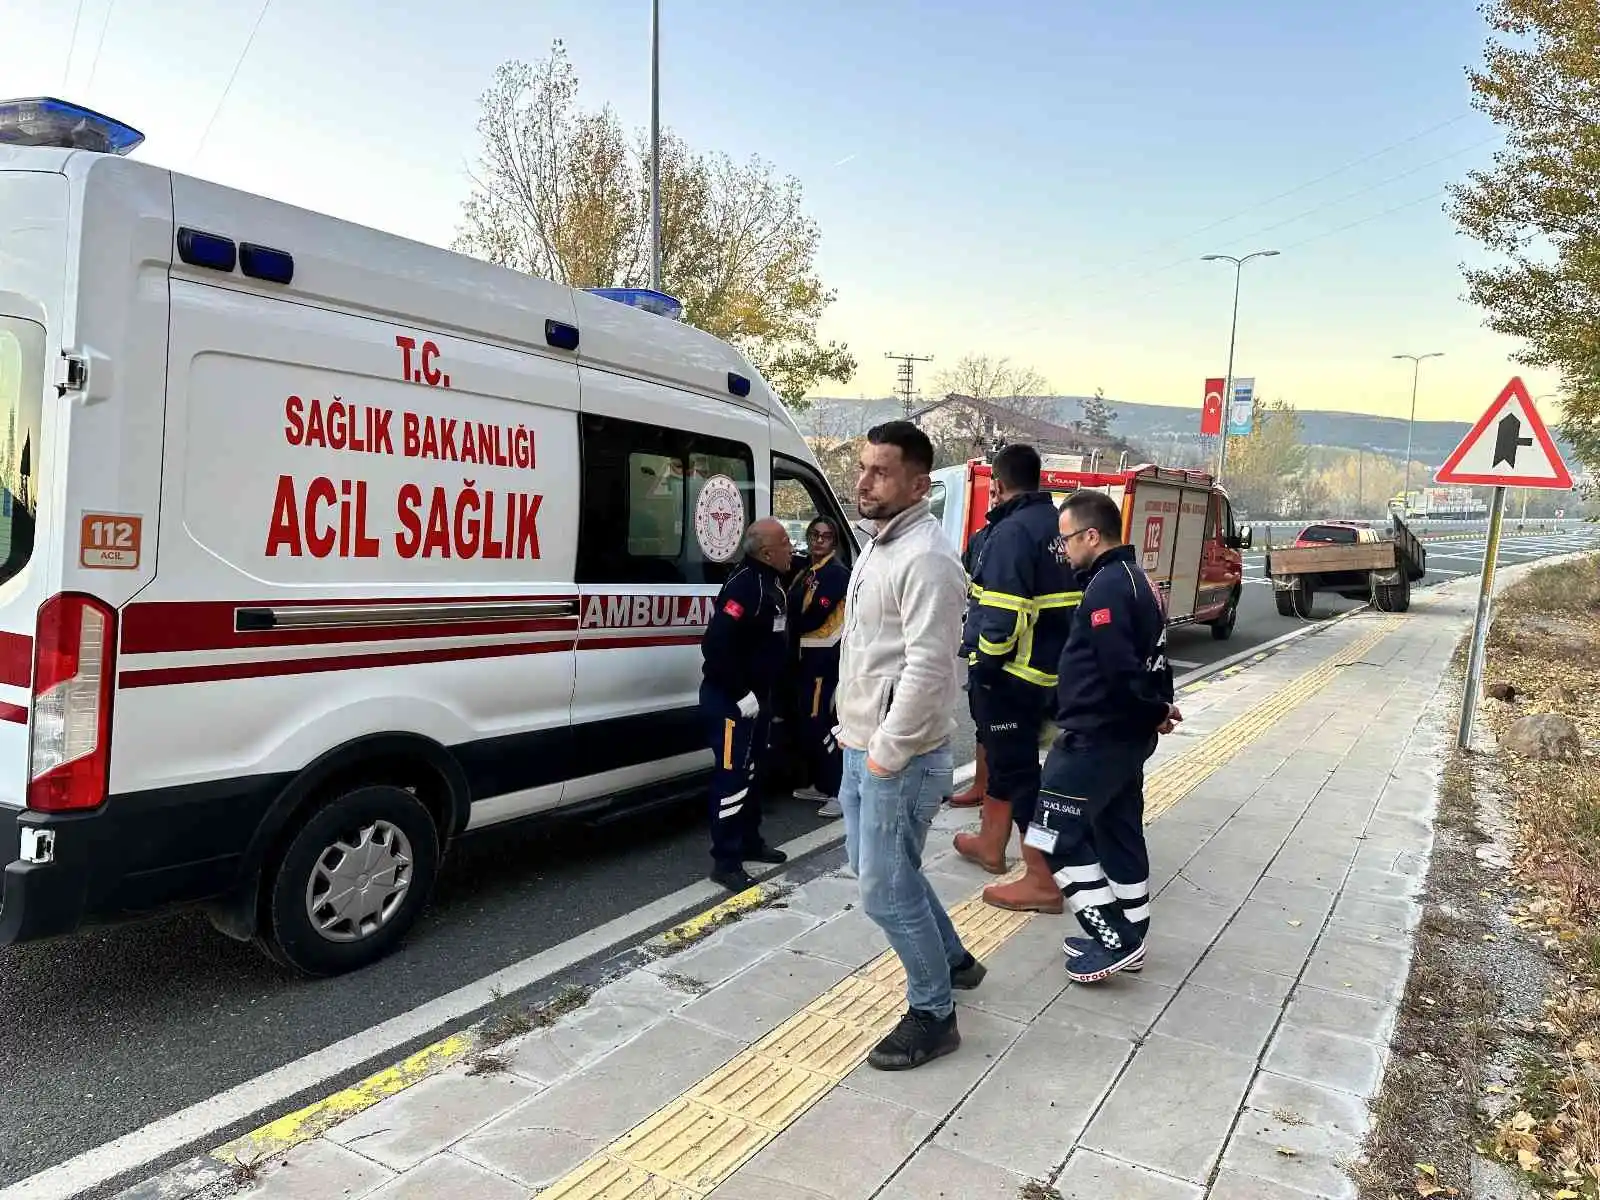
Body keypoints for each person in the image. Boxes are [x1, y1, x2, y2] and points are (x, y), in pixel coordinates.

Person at [835, 420, 984, 1071]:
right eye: (863, 466)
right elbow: (874, 651)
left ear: (918, 483)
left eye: (881, 471)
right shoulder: (880, 545)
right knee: (891, 876)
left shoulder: (925, 557)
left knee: (884, 891)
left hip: (897, 758)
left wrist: (885, 751)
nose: (863, 481)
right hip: (862, 744)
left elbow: (929, 669)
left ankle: (934, 1012)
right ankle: (954, 960)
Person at [1033, 488, 1181, 982]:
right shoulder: (1138, 581)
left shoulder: (1106, 589)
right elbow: (1155, 661)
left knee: (1053, 835)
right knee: (1118, 830)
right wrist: (1157, 709)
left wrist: (1152, 709)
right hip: (1124, 736)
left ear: (1091, 535)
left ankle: (1113, 938)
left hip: (1095, 738)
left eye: (1067, 540)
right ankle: (1131, 937)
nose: (1063, 550)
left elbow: (1118, 671)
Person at [951, 444, 1078, 915]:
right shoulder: (1060, 525)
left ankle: (1043, 880)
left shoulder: (1010, 534)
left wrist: (984, 668)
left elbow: (1001, 616)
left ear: (999, 486)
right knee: (1010, 765)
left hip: (1011, 676)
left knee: (1023, 778)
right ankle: (990, 843)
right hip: (1051, 673)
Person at [700, 517, 795, 892]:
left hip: (759, 700)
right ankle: (725, 860)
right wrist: (741, 694)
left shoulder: (772, 581)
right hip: (731, 702)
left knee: (754, 773)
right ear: (767, 552)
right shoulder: (745, 587)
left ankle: (750, 841)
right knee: (732, 777)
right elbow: (715, 647)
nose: (793, 548)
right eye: (786, 542)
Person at [789, 517, 850, 818]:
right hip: (806, 655)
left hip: (823, 657)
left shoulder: (836, 573)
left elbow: (814, 614)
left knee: (818, 722)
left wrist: (785, 626)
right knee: (806, 722)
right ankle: (822, 784)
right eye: (814, 535)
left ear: (834, 542)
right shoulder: (806, 572)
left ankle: (839, 791)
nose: (818, 540)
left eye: (826, 536)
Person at [947, 520, 990, 810]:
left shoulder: (1014, 535)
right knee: (983, 724)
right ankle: (983, 785)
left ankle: (993, 792)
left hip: (999, 654)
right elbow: (968, 579)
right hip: (981, 641)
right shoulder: (982, 537)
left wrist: (989, 661)